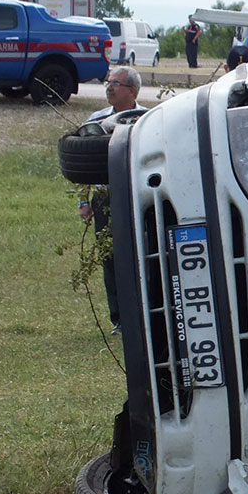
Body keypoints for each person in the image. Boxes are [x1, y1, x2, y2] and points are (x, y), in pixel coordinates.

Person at [79, 66, 146, 335]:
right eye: (108, 82)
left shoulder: (145, 120)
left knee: (140, 255)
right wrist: (84, 203)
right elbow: (83, 163)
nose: (109, 87)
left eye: (115, 83)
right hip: (104, 197)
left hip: (137, 196)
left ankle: (144, 315)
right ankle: (119, 319)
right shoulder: (96, 121)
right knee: (110, 258)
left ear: (131, 90)